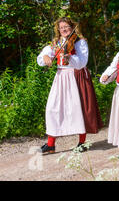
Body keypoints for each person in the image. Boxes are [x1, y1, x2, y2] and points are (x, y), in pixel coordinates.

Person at [37, 17, 103, 154]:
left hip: (76, 76)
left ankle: (82, 142)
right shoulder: (57, 43)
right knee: (52, 109)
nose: (64, 29)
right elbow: (44, 53)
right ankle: (51, 144)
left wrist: (70, 58)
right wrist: (45, 57)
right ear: (58, 30)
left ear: (72, 27)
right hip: (61, 77)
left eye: (66, 26)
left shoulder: (80, 42)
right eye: (61, 28)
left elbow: (82, 62)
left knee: (78, 109)